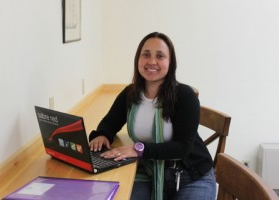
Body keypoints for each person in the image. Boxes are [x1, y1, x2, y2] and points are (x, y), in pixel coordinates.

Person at [89, 32, 216, 200]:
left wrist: (138, 150)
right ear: (138, 59)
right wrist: (102, 134)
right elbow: (110, 122)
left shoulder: (185, 95)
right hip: (149, 173)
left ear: (170, 63)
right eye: (146, 55)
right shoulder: (130, 94)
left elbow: (183, 148)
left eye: (160, 56)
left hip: (191, 177)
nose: (151, 61)